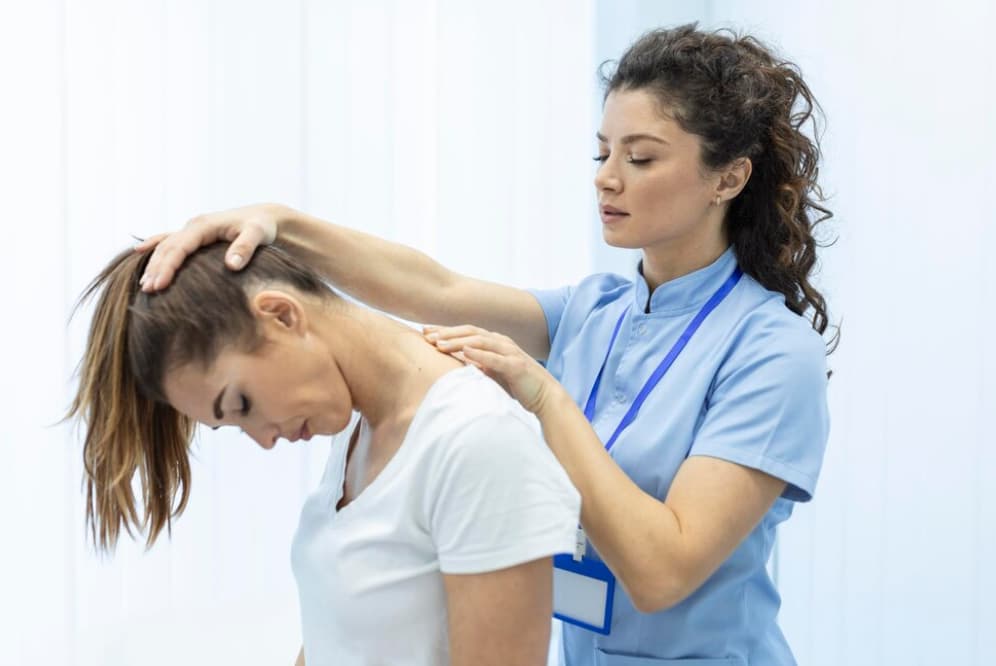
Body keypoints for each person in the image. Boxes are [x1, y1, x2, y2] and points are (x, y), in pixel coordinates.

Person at [138, 23, 834, 665]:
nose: (605, 177)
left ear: (729, 177)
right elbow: (432, 287)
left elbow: (661, 572)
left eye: (640, 157)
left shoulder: (771, 353)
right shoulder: (599, 310)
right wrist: (276, 224)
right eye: (601, 152)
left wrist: (542, 398)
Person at [67, 241, 581, 666]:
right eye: (232, 426)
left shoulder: (474, 440)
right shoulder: (360, 427)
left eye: (242, 404)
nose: (264, 439)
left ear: (281, 315)